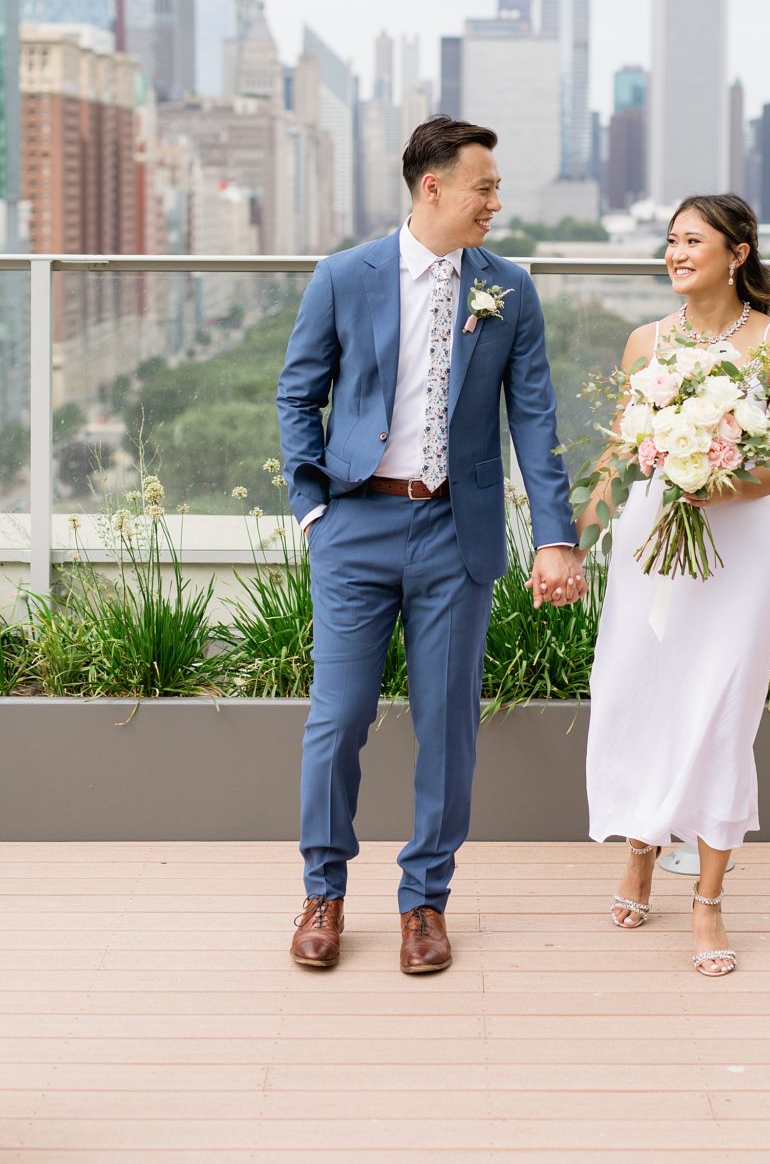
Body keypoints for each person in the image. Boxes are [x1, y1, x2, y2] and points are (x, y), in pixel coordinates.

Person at [277, 115, 582, 974]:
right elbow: (297, 393)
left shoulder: (509, 289)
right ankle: (324, 891)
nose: (496, 202)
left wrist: (555, 536)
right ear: (433, 187)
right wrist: (310, 505)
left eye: (497, 188)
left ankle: (425, 903)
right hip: (354, 526)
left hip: (458, 531)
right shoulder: (345, 275)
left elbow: (536, 418)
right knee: (337, 720)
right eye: (484, 186)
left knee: (448, 726)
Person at [579, 193, 770, 978]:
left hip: (734, 552)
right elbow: (618, 453)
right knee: (641, 694)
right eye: (670, 241)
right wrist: (572, 542)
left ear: (737, 252)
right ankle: (641, 850)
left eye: (692, 240)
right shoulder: (645, 340)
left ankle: (707, 901)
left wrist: (719, 479)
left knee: (720, 713)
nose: (675, 254)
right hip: (650, 548)